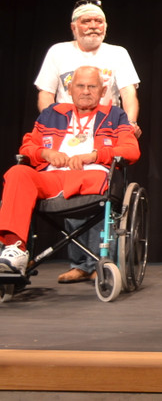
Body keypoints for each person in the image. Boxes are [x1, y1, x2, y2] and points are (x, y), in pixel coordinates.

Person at [34, 0, 141, 285]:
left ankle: (100, 261)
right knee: (68, 190)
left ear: (105, 26)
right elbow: (46, 93)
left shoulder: (117, 53)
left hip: (105, 128)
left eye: (98, 21)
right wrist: (50, 125)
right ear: (74, 27)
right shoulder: (58, 52)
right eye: (86, 21)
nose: (93, 26)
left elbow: (128, 93)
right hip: (67, 128)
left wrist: (129, 125)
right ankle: (81, 263)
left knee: (97, 190)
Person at [0, 67, 140, 276]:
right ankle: (14, 250)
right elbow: (27, 147)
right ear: (70, 89)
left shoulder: (115, 115)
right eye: (80, 86)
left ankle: (98, 264)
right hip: (52, 178)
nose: (86, 91)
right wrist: (45, 153)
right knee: (17, 173)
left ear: (103, 91)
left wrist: (94, 156)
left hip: (92, 177)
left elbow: (131, 150)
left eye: (92, 86)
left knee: (101, 182)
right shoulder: (52, 114)